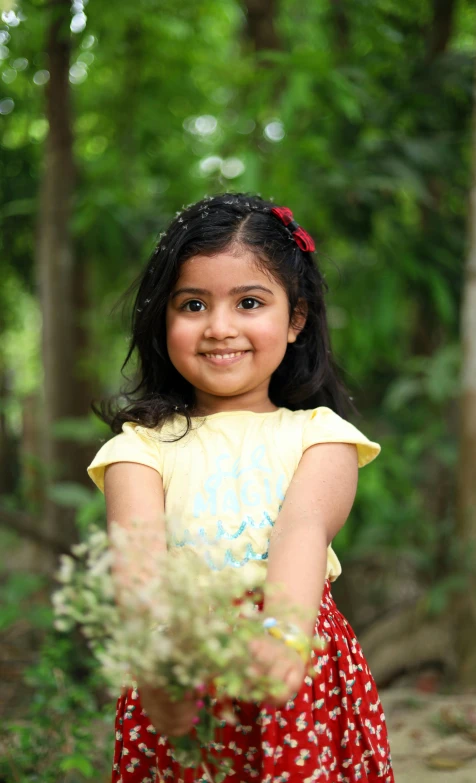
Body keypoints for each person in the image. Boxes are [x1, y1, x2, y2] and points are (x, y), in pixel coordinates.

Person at [87, 192, 394, 783]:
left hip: (295, 661)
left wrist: (281, 635)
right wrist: (158, 663)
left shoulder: (321, 437)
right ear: (163, 318)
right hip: (182, 661)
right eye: (193, 304)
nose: (219, 328)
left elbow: (302, 529)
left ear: (295, 318)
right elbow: (139, 565)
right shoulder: (138, 449)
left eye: (250, 302)